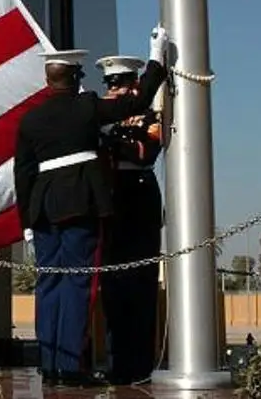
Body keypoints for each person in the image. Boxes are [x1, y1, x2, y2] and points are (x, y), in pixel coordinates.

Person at [13, 26, 168, 388]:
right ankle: (69, 365)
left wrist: (26, 221)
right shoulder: (86, 108)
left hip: (42, 209)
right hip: (80, 205)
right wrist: (157, 59)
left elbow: (22, 172)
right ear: (77, 77)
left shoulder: (29, 119)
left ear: (48, 80)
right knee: (77, 284)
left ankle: (49, 363)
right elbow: (137, 100)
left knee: (48, 283)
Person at [96, 55, 165, 385]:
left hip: (138, 194)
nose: (113, 92)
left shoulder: (147, 115)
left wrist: (111, 141)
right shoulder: (103, 115)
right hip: (111, 197)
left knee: (140, 282)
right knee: (112, 284)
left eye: (119, 85)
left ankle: (140, 363)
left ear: (133, 84)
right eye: (110, 85)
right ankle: (116, 361)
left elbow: (146, 151)